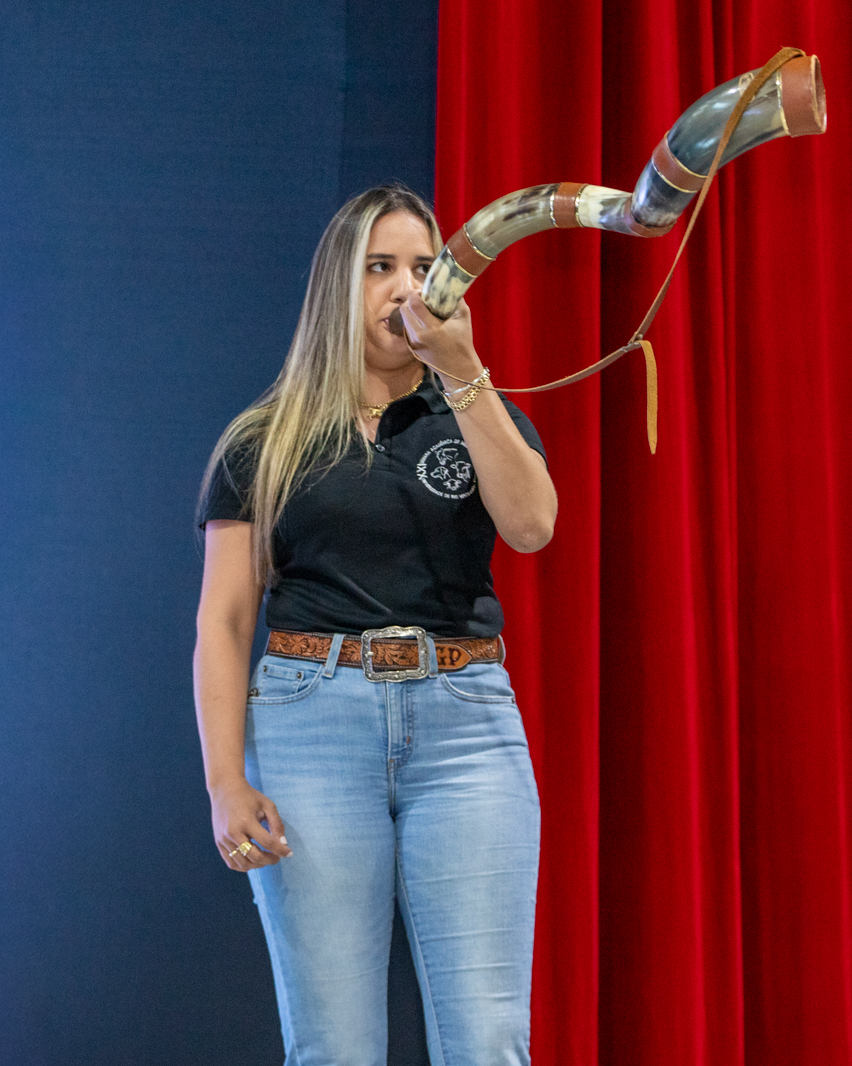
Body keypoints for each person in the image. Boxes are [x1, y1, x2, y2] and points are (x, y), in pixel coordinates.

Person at [193, 184, 556, 1066]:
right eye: (380, 267)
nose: (405, 288)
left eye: (425, 268)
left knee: (488, 1040)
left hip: (465, 729)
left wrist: (465, 374)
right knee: (335, 1046)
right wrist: (224, 780)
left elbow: (532, 526)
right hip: (311, 726)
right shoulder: (266, 437)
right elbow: (225, 620)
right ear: (338, 285)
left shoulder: (477, 410)